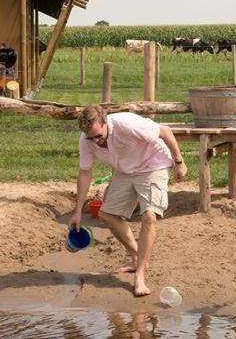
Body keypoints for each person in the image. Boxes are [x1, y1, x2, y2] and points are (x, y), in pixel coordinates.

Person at [68, 104, 188, 297]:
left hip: (152, 164)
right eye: (90, 138)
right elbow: (85, 173)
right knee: (107, 214)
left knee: (149, 216)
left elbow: (165, 132)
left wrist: (179, 162)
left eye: (98, 136)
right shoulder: (87, 140)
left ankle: (140, 275)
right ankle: (137, 256)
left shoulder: (128, 124)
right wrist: (78, 211)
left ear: (105, 122)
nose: (95, 142)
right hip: (126, 170)